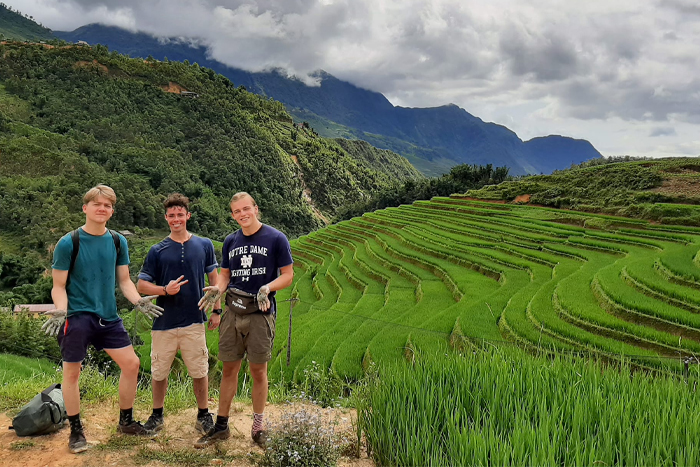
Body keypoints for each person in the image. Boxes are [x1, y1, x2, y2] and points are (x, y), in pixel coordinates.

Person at [42, 185, 164, 454]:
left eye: (107, 205)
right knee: (72, 373)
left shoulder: (118, 241)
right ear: (85, 208)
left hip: (108, 316)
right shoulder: (68, 242)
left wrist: (137, 301)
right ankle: (76, 430)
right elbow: (58, 285)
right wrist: (61, 309)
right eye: (96, 204)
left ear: (111, 211)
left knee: (131, 364)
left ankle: (126, 421)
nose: (102, 208)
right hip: (76, 316)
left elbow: (124, 280)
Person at [195, 192, 293, 448]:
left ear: (256, 209)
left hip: (260, 313)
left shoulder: (276, 238)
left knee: (258, 371)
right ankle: (221, 425)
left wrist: (267, 288)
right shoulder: (231, 241)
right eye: (237, 211)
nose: (242, 214)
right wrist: (218, 288)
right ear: (233, 215)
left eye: (246, 209)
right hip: (232, 312)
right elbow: (225, 275)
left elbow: (288, 275)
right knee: (229, 369)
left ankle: (258, 427)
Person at [136, 193, 221, 436]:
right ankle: (157, 415)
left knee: (200, 369)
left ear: (188, 216)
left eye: (180, 215)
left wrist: (216, 310)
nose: (176, 219)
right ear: (166, 218)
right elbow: (141, 285)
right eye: (171, 215)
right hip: (163, 321)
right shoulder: (157, 250)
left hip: (194, 320)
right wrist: (165, 289)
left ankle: (203, 414)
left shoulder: (204, 245)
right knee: (159, 371)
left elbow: (214, 280)